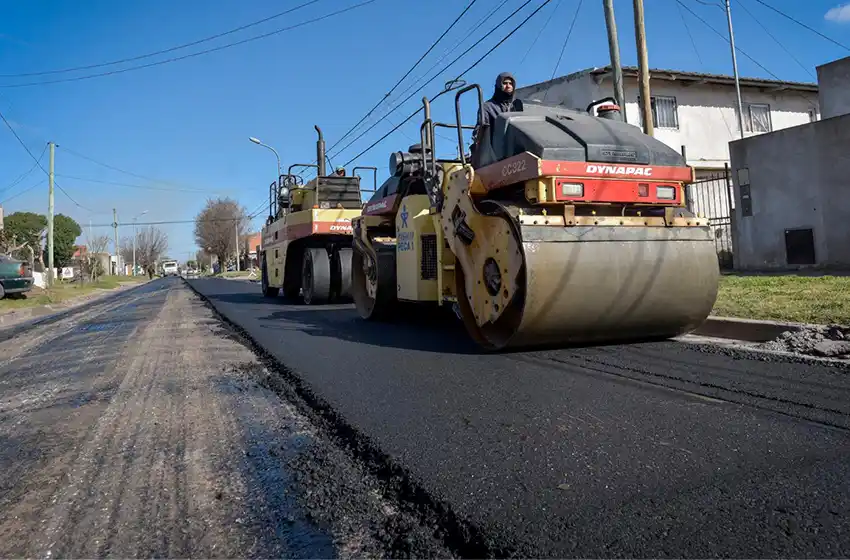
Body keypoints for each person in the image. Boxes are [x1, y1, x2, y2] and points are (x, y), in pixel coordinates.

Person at [472, 72, 523, 149]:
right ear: (498, 85)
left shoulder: (517, 105)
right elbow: (480, 131)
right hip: (496, 150)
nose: (508, 86)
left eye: (511, 83)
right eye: (505, 83)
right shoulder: (487, 107)